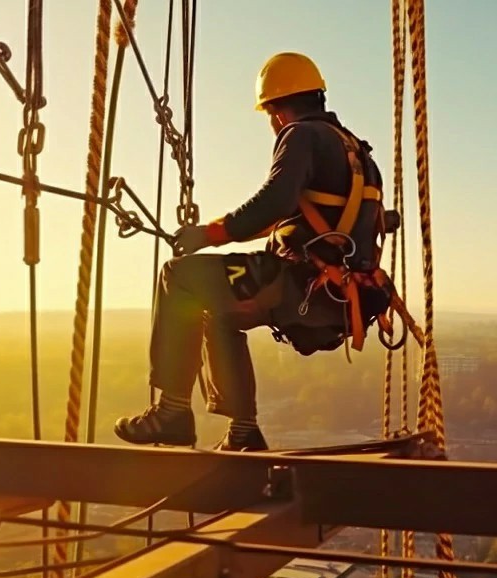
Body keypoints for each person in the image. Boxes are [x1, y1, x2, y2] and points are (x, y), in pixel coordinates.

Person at [113, 52, 390, 452]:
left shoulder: (300, 136)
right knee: (221, 312)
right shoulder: (358, 152)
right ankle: (243, 431)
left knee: (178, 277)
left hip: (300, 284)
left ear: (276, 110)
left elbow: (275, 201)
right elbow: (319, 213)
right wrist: (226, 232)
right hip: (346, 299)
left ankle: (172, 410)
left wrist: (210, 234)